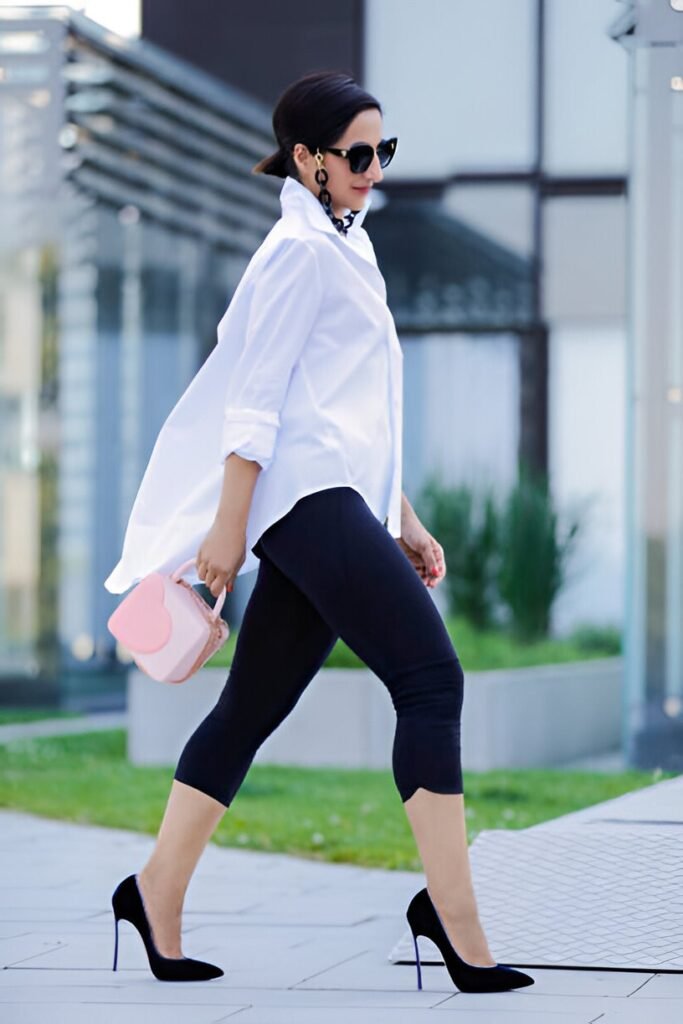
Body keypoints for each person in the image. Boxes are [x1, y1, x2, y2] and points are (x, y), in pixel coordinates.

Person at [107, 70, 534, 994]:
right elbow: (254, 408)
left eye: (384, 151)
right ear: (305, 160)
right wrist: (227, 533)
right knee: (430, 679)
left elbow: (349, 412)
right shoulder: (296, 254)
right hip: (302, 503)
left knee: (250, 708)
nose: (372, 168)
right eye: (355, 154)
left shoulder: (349, 243)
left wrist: (403, 520)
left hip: (336, 495)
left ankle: (154, 892)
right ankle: (454, 921)